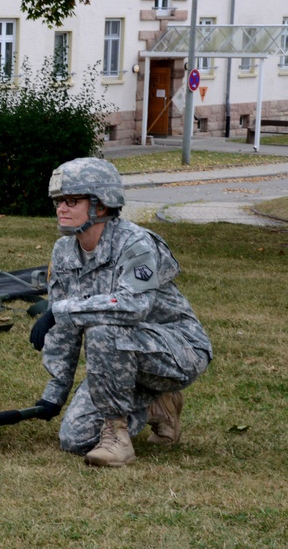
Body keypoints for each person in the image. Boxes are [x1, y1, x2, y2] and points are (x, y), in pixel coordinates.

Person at [30, 157, 212, 467]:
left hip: (178, 350)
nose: (61, 208)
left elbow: (131, 308)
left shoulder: (135, 243)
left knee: (105, 329)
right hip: (119, 358)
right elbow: (65, 329)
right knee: (74, 439)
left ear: (100, 205)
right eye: (59, 201)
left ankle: (118, 438)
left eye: (72, 201)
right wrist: (55, 392)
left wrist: (59, 310)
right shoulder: (63, 251)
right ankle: (158, 405)